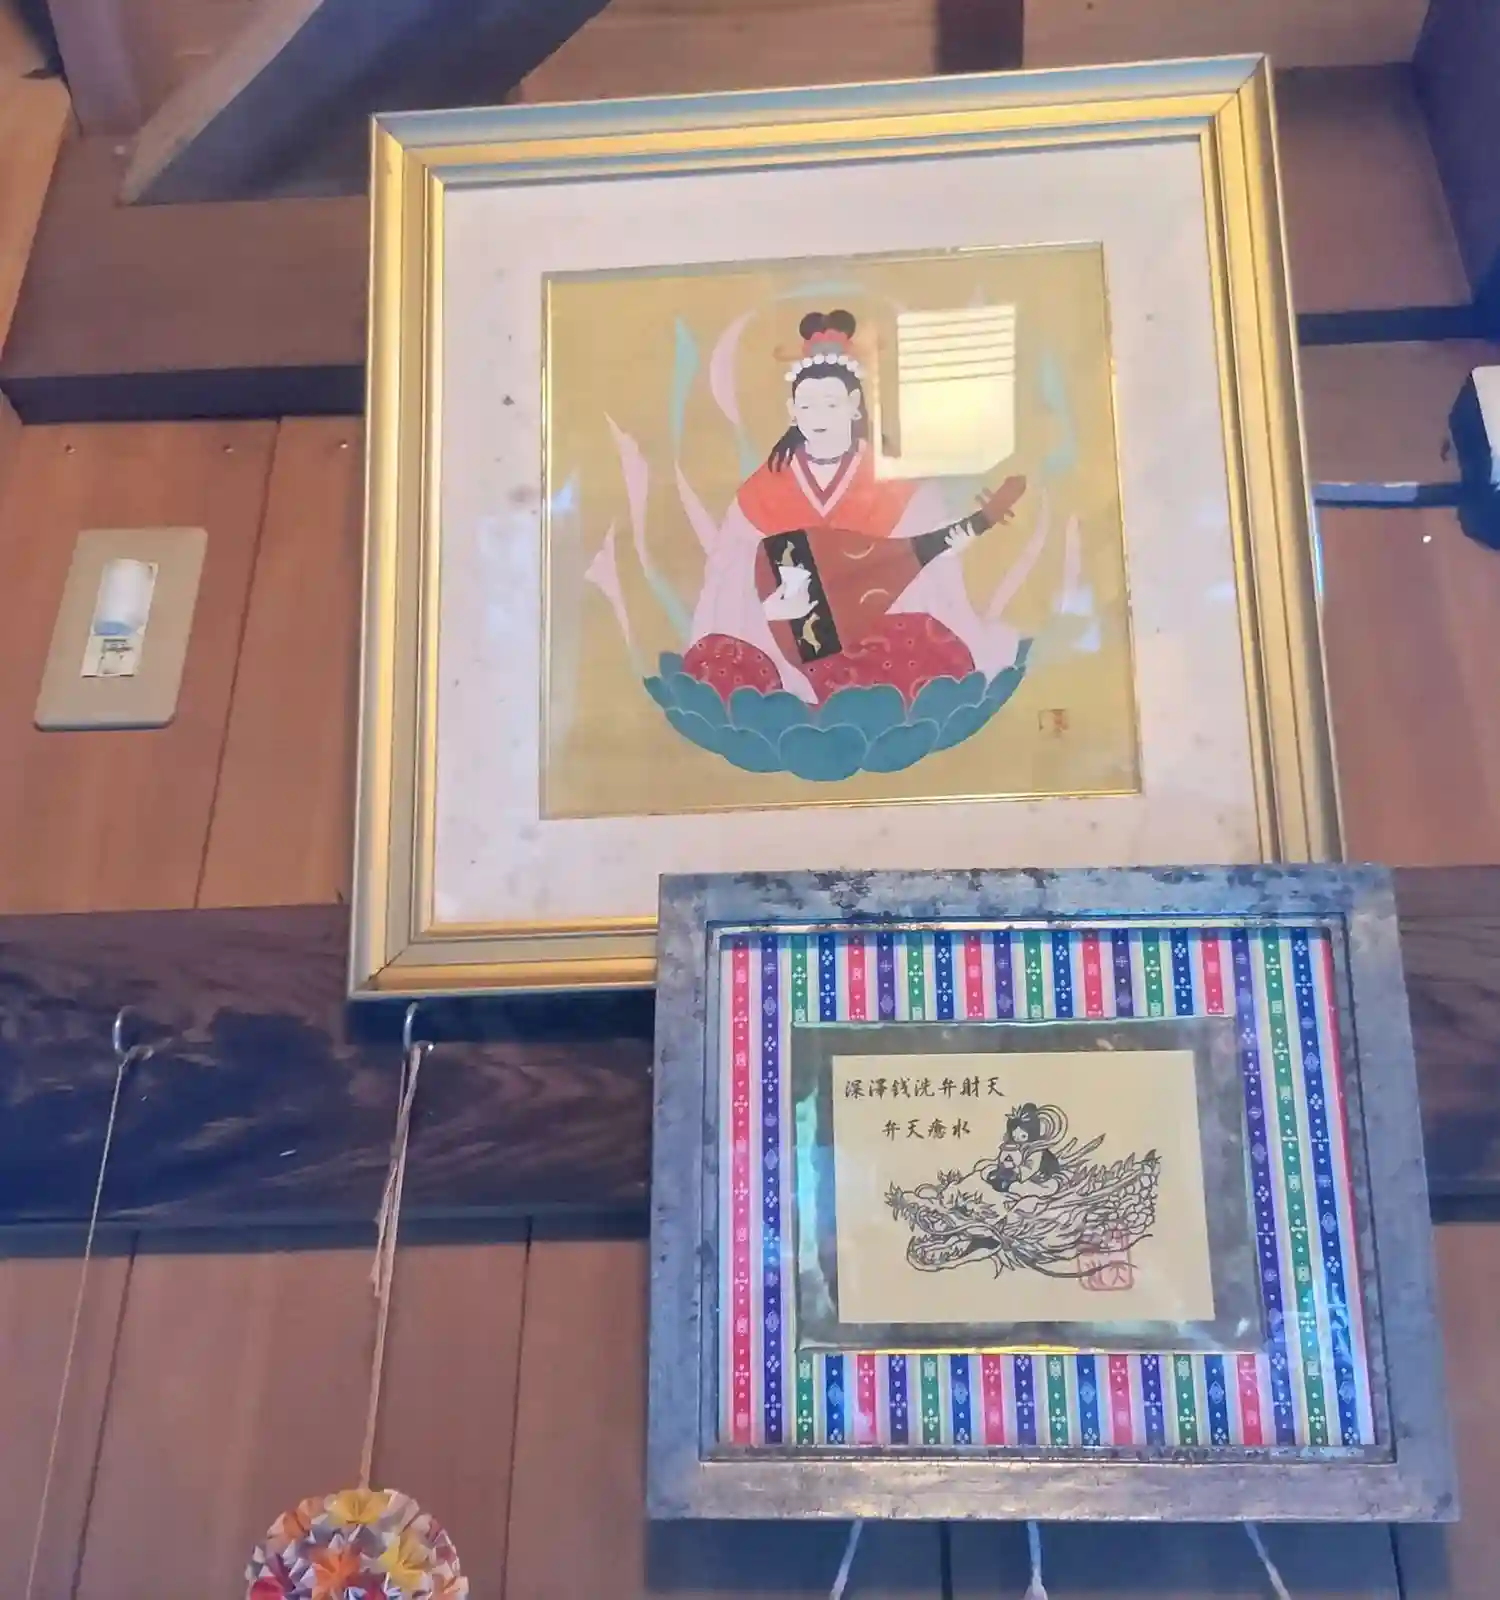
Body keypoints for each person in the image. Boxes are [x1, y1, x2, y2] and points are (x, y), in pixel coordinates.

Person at [681, 309, 1026, 706]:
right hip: (779, 637)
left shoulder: (894, 482)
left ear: (855, 405)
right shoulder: (766, 488)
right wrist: (772, 599)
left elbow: (927, 552)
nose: (819, 417)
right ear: (792, 411)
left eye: (831, 404)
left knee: (915, 656)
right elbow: (728, 568)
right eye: (807, 406)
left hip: (869, 631)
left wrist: (975, 525)